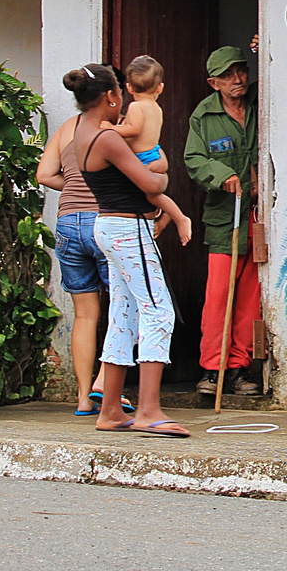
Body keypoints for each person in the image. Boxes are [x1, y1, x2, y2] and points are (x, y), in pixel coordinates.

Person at [67, 63, 194, 437]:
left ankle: (109, 409)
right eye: (118, 96)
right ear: (110, 97)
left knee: (124, 312)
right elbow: (149, 180)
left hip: (108, 225)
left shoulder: (83, 132)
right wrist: (165, 173)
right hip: (128, 227)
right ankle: (149, 410)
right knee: (159, 310)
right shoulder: (107, 138)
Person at [36, 111, 132, 417]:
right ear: (111, 96)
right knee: (123, 306)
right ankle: (103, 382)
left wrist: (76, 188)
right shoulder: (119, 126)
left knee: (85, 316)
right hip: (105, 221)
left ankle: (82, 398)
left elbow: (44, 174)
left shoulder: (68, 126)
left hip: (67, 224)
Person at [184, 44, 262, 397]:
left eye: (242, 71)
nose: (238, 80)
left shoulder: (262, 102)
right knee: (219, 296)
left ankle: (237, 369)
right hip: (224, 218)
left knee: (250, 297)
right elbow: (195, 159)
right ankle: (211, 369)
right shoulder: (204, 115)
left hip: (259, 219)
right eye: (229, 75)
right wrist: (222, 174)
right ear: (213, 82)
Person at [106, 55, 182, 225]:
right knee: (153, 195)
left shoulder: (136, 106)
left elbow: (133, 129)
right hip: (153, 153)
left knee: (131, 187)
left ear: (129, 88)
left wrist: (111, 128)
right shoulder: (156, 108)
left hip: (142, 157)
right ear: (160, 88)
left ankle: (178, 218)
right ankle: (177, 216)